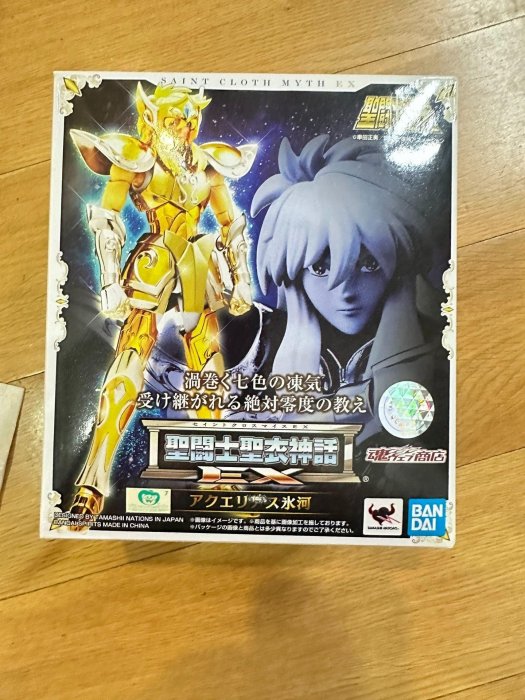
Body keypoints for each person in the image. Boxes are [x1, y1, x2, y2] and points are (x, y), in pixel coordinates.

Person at [68, 82, 257, 522]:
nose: (184, 129)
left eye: (190, 121)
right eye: (175, 121)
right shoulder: (137, 159)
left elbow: (231, 226)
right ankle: (92, 480)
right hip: (155, 257)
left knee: (208, 365)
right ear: (153, 120)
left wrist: (242, 279)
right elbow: (107, 218)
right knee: (129, 362)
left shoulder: (208, 164)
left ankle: (215, 473)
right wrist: (110, 280)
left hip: (197, 261)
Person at [246, 134, 448, 442]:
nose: (346, 292)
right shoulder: (262, 344)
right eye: (320, 268)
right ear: (293, 272)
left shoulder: (436, 343)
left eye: (369, 264)